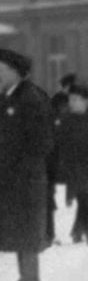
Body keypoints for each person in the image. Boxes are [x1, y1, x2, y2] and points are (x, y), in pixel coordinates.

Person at [0, 48, 54, 281]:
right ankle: (25, 277)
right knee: (18, 227)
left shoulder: (30, 98)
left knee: (27, 228)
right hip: (10, 177)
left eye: (0, 71)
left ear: (16, 72)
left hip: (26, 178)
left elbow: (42, 142)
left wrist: (18, 167)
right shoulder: (9, 97)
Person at [55, 84, 88, 243]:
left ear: (85, 101)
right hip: (74, 166)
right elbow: (60, 143)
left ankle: (79, 229)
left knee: (84, 197)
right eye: (70, 100)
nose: (72, 103)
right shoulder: (66, 120)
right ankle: (79, 229)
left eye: (76, 99)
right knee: (83, 197)